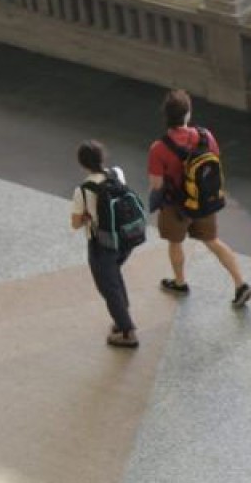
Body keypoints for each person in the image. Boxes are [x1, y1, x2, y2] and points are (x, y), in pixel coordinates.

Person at [146, 89, 251, 305]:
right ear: (188, 114)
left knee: (175, 243)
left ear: (166, 116)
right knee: (212, 241)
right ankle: (241, 283)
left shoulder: (158, 148)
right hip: (203, 199)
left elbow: (156, 184)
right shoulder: (205, 136)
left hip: (175, 205)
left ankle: (180, 282)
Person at [69, 140, 139, 348]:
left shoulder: (84, 189)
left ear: (82, 164)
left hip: (102, 243)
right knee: (114, 276)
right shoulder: (117, 173)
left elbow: (75, 223)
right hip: (127, 238)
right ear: (102, 157)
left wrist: (88, 217)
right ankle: (121, 314)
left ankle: (127, 331)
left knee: (107, 286)